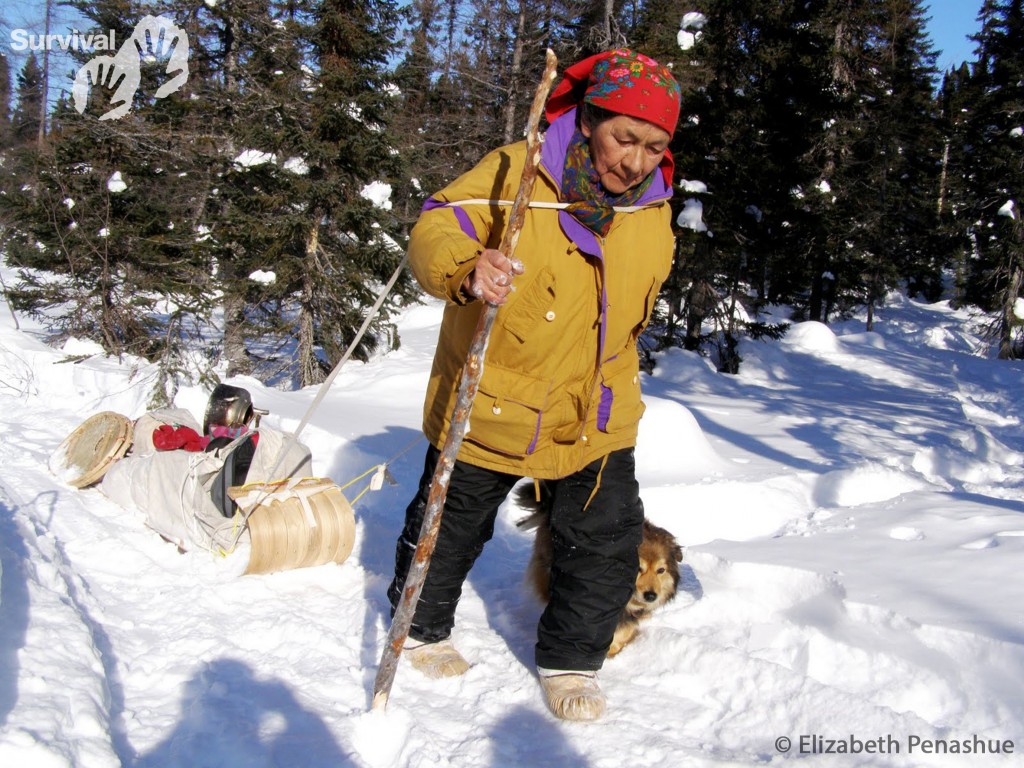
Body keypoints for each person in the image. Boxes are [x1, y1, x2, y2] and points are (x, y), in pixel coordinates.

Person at [387, 48, 681, 722]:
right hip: (497, 394)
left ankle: (573, 658)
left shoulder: (654, 205)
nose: (637, 161)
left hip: (596, 404)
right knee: (451, 523)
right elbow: (436, 225)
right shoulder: (519, 170)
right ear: (589, 119)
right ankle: (421, 626)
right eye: (625, 138)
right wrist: (466, 266)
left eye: (654, 145)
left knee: (605, 539)